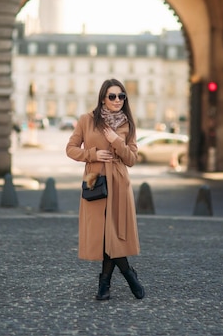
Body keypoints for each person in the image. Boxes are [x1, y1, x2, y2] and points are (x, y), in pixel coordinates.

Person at [66, 79, 145, 301]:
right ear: (103, 98)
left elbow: (132, 159)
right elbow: (70, 149)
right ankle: (129, 276)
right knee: (102, 236)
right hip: (95, 182)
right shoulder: (87, 120)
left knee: (114, 235)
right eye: (112, 96)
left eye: (121, 96)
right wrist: (92, 154)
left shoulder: (128, 123)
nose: (117, 100)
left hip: (119, 183)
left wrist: (117, 141)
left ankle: (105, 285)